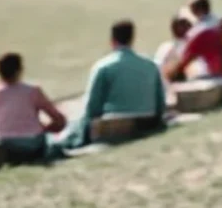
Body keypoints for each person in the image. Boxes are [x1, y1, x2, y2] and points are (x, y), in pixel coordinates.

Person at [53, 20, 166, 152]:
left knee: (74, 126)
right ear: (132, 39)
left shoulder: (104, 66)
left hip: (112, 125)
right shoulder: (151, 65)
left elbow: (92, 107)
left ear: (112, 40)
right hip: (147, 121)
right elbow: (160, 102)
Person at [0, 53, 66, 163]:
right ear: (19, 70)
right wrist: (44, 129)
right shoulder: (32, 91)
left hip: (4, 145)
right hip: (33, 144)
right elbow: (60, 121)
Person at [164, 0, 222, 82]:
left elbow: (184, 61)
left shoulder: (198, 32)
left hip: (209, 75)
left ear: (195, 11)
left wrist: (168, 75)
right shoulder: (220, 22)